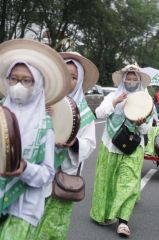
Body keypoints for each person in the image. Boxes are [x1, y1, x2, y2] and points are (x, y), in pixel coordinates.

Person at [0, 39, 69, 239]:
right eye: (13, 78)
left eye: (26, 80)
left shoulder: (44, 127)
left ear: (37, 84)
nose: (18, 85)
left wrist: (25, 169)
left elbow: (47, 174)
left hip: (23, 207)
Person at [32, 52, 98, 239]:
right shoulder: (41, 101)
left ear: (80, 81)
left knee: (54, 226)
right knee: (28, 221)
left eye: (74, 76)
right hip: (35, 173)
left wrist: (73, 143)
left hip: (64, 176)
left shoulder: (84, 113)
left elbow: (89, 143)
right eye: (65, 74)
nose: (69, 80)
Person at [90, 65, 153, 238]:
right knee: (107, 182)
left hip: (133, 148)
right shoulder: (112, 95)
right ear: (123, 78)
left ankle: (123, 222)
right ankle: (103, 213)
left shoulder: (146, 100)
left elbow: (148, 129)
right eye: (128, 78)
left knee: (129, 183)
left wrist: (141, 124)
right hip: (110, 144)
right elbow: (99, 114)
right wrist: (115, 102)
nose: (131, 81)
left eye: (134, 79)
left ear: (139, 81)